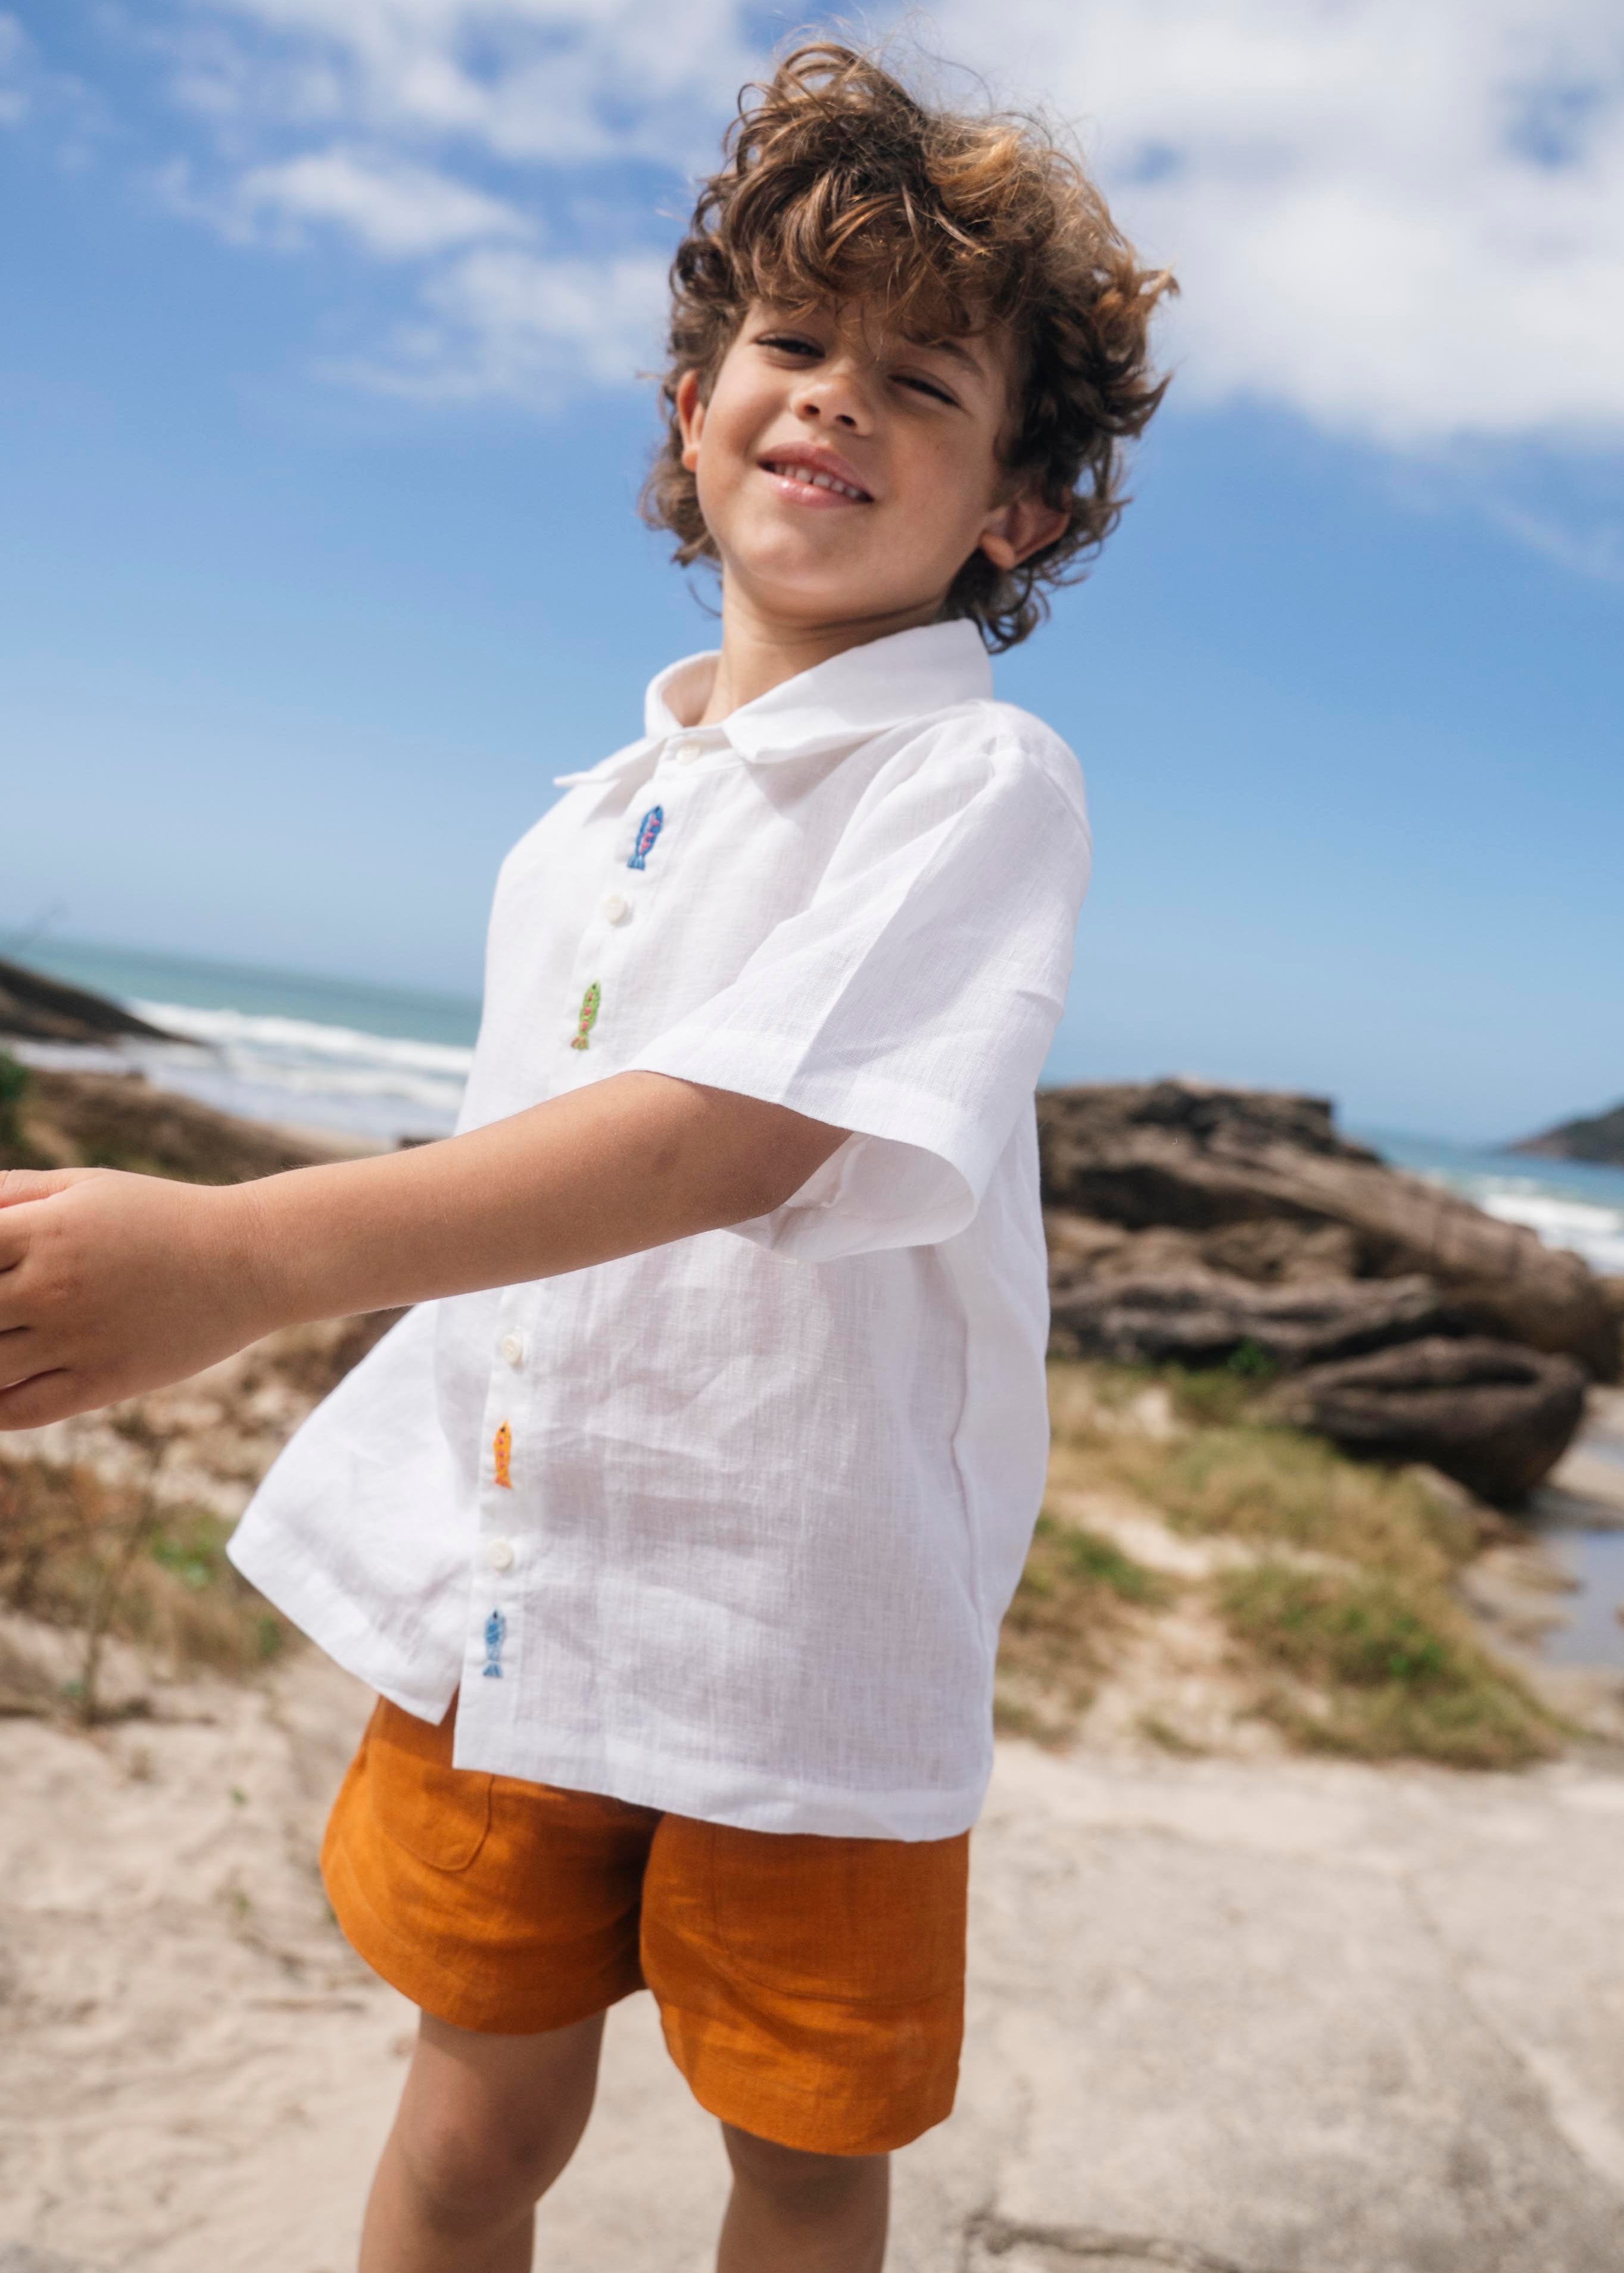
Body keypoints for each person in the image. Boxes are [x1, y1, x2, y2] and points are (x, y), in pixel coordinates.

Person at [0, 43, 1170, 2273]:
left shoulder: (978, 783)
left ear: (1018, 506)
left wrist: (239, 1257)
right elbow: (523, 1183)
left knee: (807, 2160)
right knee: (473, 2111)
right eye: (795, 342)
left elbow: (736, 1139)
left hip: (801, 1622)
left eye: (925, 380)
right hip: (507, 1591)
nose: (836, 399)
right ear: (693, 406)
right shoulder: (575, 821)